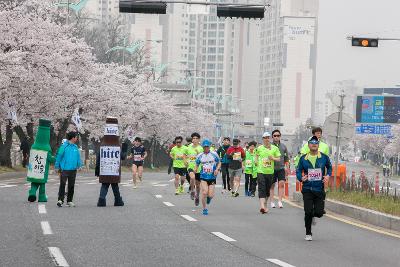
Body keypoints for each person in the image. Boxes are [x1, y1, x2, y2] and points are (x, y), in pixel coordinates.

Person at [297, 136, 332, 241]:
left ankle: (312, 215)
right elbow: (298, 170)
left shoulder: (324, 157)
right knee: (307, 212)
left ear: (318, 145)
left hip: (319, 189)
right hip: (307, 188)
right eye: (312, 143)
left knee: (319, 213)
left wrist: (328, 176)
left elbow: (329, 167)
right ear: (308, 145)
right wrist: (301, 178)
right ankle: (308, 233)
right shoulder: (303, 158)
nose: (314, 144)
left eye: (316, 143)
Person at [96, 117, 124, 207]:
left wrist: (97, 169)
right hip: (114, 169)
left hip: (104, 169)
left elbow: (98, 158)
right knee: (114, 184)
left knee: (105, 184)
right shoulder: (118, 145)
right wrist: (125, 150)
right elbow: (122, 157)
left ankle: (101, 200)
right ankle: (118, 200)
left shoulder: (103, 145)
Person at [255, 132, 281, 214]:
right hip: (260, 171)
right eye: (265, 138)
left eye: (268, 137)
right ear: (263, 139)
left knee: (267, 190)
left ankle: (265, 204)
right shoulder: (259, 148)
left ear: (270, 139)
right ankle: (262, 206)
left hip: (270, 172)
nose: (266, 139)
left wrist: (273, 158)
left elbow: (279, 159)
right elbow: (256, 155)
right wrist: (256, 161)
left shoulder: (274, 148)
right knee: (261, 188)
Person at [55, 131, 82, 207]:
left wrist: (79, 165)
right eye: (76, 137)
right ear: (73, 138)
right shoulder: (64, 146)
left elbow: (78, 157)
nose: (76, 138)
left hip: (73, 170)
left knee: (71, 185)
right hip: (64, 169)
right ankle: (60, 200)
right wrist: (57, 166)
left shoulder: (75, 147)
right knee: (62, 184)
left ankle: (69, 201)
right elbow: (59, 157)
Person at [195, 139, 221, 215]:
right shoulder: (200, 155)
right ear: (203, 147)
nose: (206, 148)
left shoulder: (214, 154)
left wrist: (217, 169)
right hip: (203, 176)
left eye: (207, 147)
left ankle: (209, 198)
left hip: (212, 177)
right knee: (204, 192)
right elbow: (197, 163)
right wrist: (195, 169)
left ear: (209, 147)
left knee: (210, 195)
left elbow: (219, 162)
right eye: (204, 147)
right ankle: (204, 208)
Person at [270, 129, 290, 208]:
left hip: (281, 168)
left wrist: (287, 168)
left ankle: (280, 201)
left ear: (280, 136)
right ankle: (271, 201)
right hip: (271, 168)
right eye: (275, 136)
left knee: (281, 184)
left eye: (278, 135)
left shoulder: (283, 146)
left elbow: (286, 158)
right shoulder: (269, 146)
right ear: (272, 137)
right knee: (272, 185)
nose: (276, 137)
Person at [185, 133, 203, 205]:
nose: (195, 140)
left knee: (198, 186)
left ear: (199, 140)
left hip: (198, 168)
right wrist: (185, 160)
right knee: (192, 177)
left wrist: (198, 153)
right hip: (190, 166)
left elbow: (203, 157)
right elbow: (184, 155)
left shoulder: (201, 148)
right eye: (193, 138)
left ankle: (197, 196)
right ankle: (192, 190)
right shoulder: (188, 147)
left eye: (196, 138)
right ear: (192, 139)